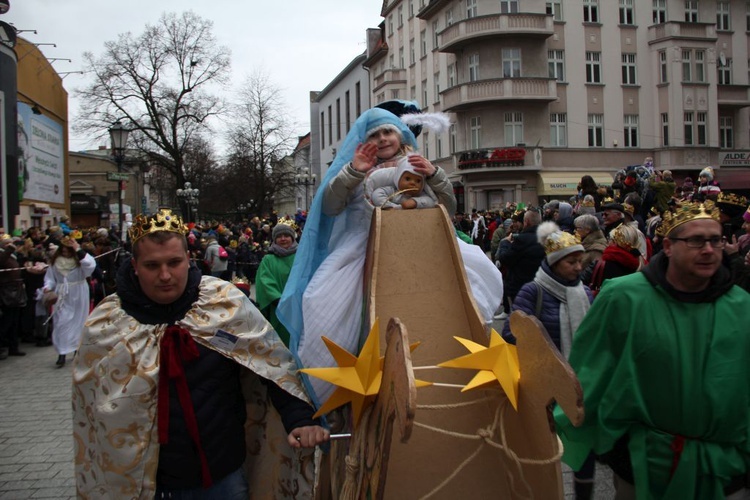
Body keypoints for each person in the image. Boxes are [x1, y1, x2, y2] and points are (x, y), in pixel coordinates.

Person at [72, 209, 329, 498]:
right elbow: (93, 408)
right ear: (135, 266)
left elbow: (270, 365)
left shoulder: (222, 303)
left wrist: (301, 418)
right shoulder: (108, 323)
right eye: (152, 265)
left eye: (174, 262)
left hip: (224, 476)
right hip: (146, 484)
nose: (165, 275)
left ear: (189, 259)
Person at [278, 102, 502, 404]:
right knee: (322, 300)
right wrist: (353, 172)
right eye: (374, 135)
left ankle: (450, 359)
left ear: (400, 135)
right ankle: (356, 379)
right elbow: (330, 207)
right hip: (364, 245)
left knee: (466, 283)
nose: (382, 139)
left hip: (419, 244)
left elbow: (447, 208)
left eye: (388, 132)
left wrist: (435, 174)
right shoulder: (355, 167)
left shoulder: (416, 163)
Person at [554, 200, 750, 498]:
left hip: (724, 470)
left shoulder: (742, 306)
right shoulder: (623, 298)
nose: (709, 249)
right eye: (696, 240)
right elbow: (589, 374)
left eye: (716, 240)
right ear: (668, 246)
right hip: (643, 467)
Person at [501, 221, 595, 499]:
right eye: (571, 262)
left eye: (580, 261)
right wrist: (544, 355)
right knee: (544, 451)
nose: (578, 268)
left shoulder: (585, 293)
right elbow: (511, 332)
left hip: (578, 384)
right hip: (543, 388)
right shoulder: (534, 291)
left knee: (582, 449)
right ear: (554, 263)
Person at [42, 236, 96, 367]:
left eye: (68, 251)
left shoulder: (80, 261)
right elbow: (50, 278)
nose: (65, 254)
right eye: (63, 251)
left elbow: (90, 265)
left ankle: (76, 349)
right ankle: (61, 353)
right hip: (62, 294)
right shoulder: (56, 262)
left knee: (78, 321)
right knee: (62, 322)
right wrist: (47, 287)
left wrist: (78, 250)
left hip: (79, 292)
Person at [256, 220, 298, 347]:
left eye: (286, 236)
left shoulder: (301, 256)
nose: (283, 239)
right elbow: (265, 281)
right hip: (278, 309)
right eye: (279, 236)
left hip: (299, 306)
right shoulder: (269, 259)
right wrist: (278, 300)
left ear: (292, 237)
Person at [368, 154, 437, 210]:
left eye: (418, 181)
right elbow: (376, 195)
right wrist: (390, 206)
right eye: (407, 179)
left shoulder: (420, 195)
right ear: (398, 178)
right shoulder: (392, 191)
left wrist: (415, 202)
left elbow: (431, 202)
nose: (413, 183)